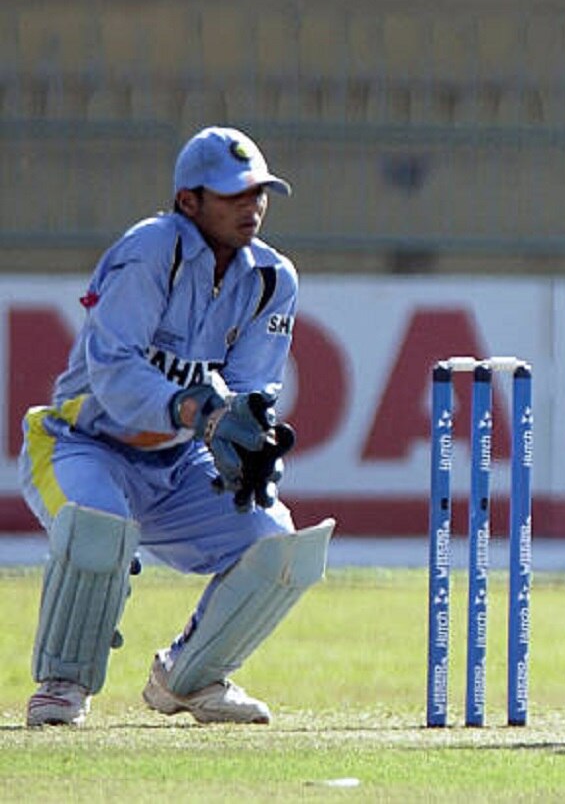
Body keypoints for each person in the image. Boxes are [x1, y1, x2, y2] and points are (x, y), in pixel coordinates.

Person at [19, 126, 335, 727]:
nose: (253, 206)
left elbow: (248, 391)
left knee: (279, 539)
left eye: (259, 192)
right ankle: (64, 683)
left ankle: (190, 677)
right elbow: (113, 372)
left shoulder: (272, 278)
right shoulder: (150, 251)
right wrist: (197, 412)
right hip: (83, 446)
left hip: (177, 465)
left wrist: (248, 439)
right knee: (97, 529)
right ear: (189, 201)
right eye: (233, 194)